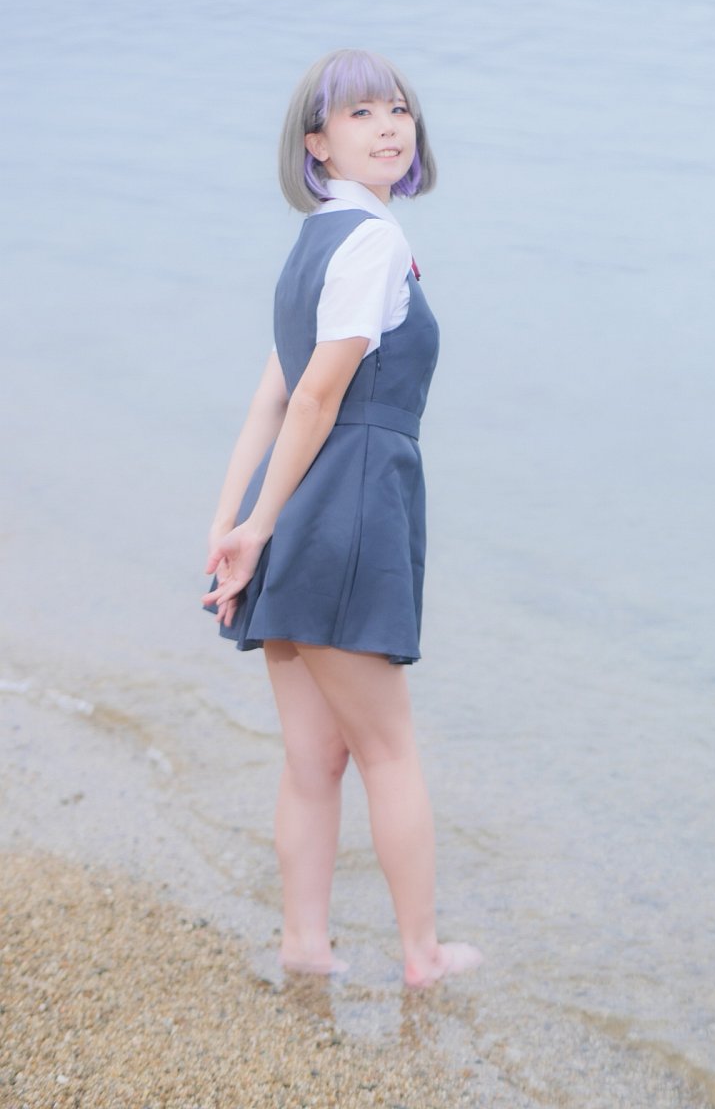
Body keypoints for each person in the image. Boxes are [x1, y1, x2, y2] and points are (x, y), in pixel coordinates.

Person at [202, 49, 483, 989]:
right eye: (360, 113)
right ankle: (422, 955)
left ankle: (305, 945)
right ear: (317, 143)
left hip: (293, 510)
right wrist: (253, 527)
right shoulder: (371, 244)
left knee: (313, 757)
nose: (390, 124)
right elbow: (314, 396)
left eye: (397, 107)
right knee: (388, 750)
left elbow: (270, 399)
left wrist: (235, 521)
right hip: (348, 503)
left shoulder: (314, 241)